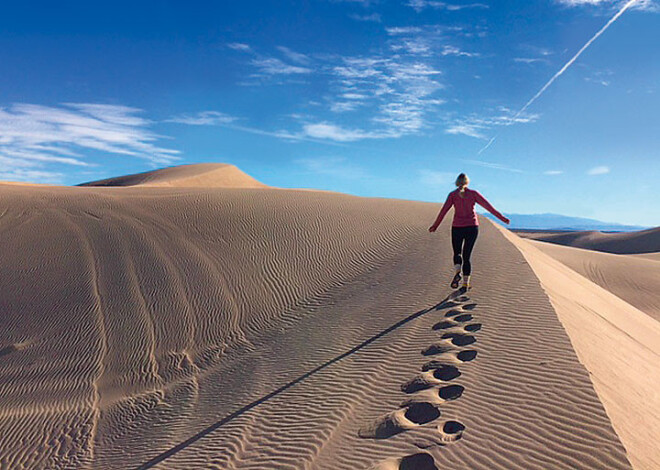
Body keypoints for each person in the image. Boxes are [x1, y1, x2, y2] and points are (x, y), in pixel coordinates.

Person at [428, 173, 510, 290]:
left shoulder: (452, 195)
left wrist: (435, 225)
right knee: (467, 256)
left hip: (457, 227)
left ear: (457, 182)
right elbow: (488, 207)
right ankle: (466, 283)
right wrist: (502, 218)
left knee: (457, 253)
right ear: (467, 182)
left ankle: (457, 272)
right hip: (472, 227)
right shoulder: (473, 194)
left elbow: (443, 211)